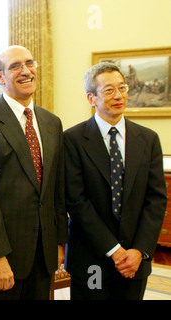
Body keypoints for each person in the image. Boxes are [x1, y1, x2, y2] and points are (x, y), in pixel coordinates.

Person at [0, 45, 68, 300]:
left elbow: (56, 187)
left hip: (43, 257)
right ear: (0, 76)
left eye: (30, 63)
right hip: (2, 260)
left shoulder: (51, 122)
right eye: (15, 66)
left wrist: (58, 242)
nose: (26, 71)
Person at [64, 62, 167, 300]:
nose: (119, 95)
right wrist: (114, 251)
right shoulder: (72, 139)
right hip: (91, 258)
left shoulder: (148, 139)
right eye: (109, 90)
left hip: (135, 259)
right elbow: (77, 201)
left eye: (122, 88)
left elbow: (156, 199)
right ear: (92, 98)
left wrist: (139, 251)